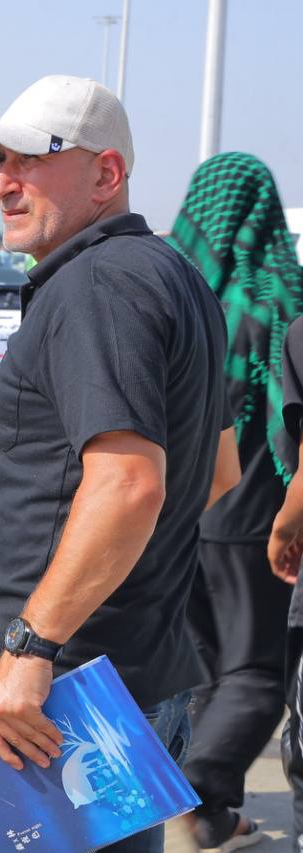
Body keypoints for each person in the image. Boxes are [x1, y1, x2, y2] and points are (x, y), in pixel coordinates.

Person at [0, 75, 240, 853]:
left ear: (106, 173)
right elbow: (216, 475)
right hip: (116, 678)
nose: (2, 183)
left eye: (28, 160)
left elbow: (129, 484)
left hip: (61, 701)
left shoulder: (98, 283)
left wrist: (31, 647)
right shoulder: (172, 276)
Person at [171, 152, 302, 851]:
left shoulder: (167, 293)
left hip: (174, 513)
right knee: (256, 672)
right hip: (257, 515)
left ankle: (214, 814)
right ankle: (197, 790)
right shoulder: (280, 297)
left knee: (205, 668)